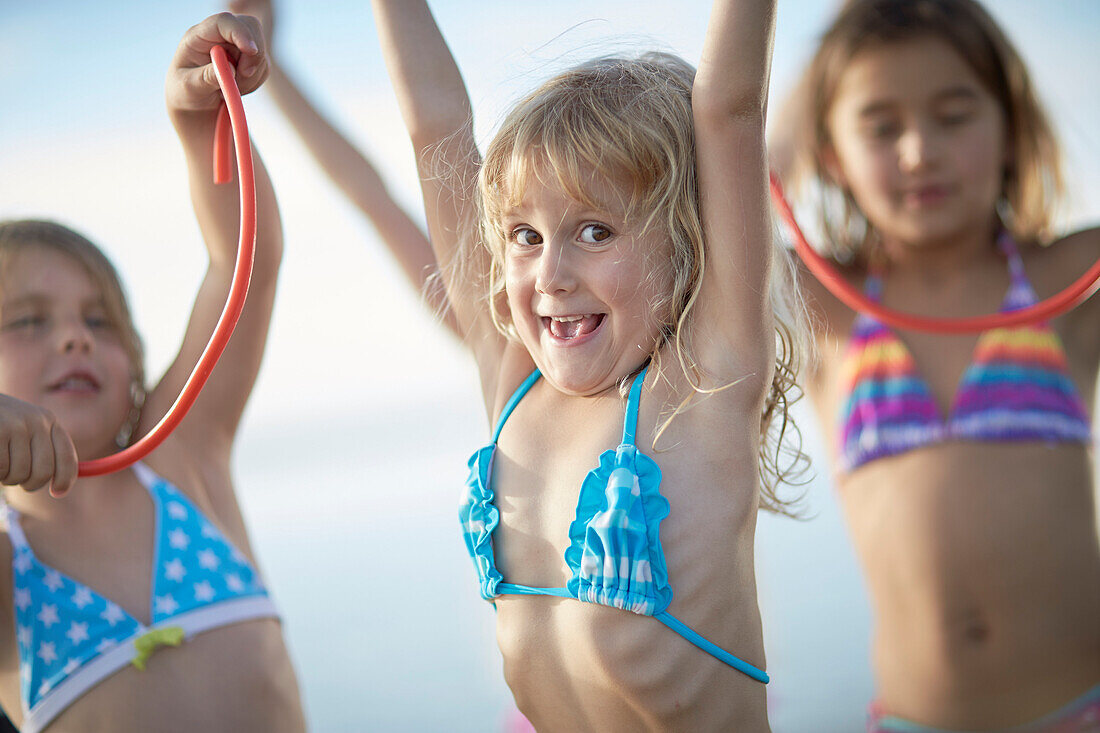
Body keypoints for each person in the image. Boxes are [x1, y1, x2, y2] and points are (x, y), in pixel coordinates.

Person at [373, 0, 804, 729]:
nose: (551, 273)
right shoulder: (512, 381)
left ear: (689, 238)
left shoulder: (705, 384)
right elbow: (434, 127)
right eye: (525, 235)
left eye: (595, 230)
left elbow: (730, 106)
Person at [773, 0, 1100, 729]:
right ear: (830, 154)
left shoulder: (1069, 278)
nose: (919, 150)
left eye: (954, 116)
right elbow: (723, 211)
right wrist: (822, 69)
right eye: (880, 127)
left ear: (1012, 129)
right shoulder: (825, 305)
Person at [0, 14, 306, 733]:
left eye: (99, 320)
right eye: (27, 320)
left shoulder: (183, 460)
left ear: (134, 362)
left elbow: (246, 265)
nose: (75, 337)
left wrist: (200, 121)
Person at [225, 0, 454, 332]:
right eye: (529, 237)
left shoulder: (500, 341)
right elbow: (374, 193)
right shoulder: (499, 332)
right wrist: (267, 66)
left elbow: (437, 132)